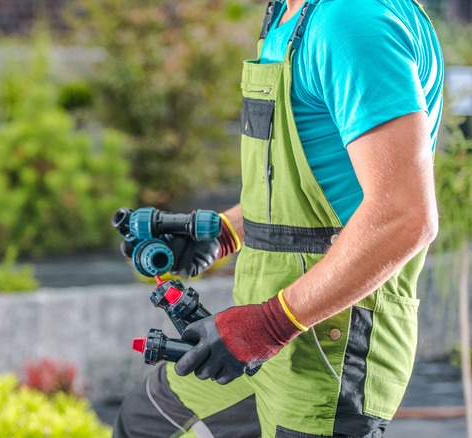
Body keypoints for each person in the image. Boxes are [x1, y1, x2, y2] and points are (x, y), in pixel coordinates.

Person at [113, 0, 444, 436]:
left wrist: (268, 326)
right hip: (259, 327)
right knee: (145, 422)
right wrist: (224, 231)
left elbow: (404, 216)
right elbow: (314, 186)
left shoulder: (351, 20)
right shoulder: (288, 15)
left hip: (327, 348)